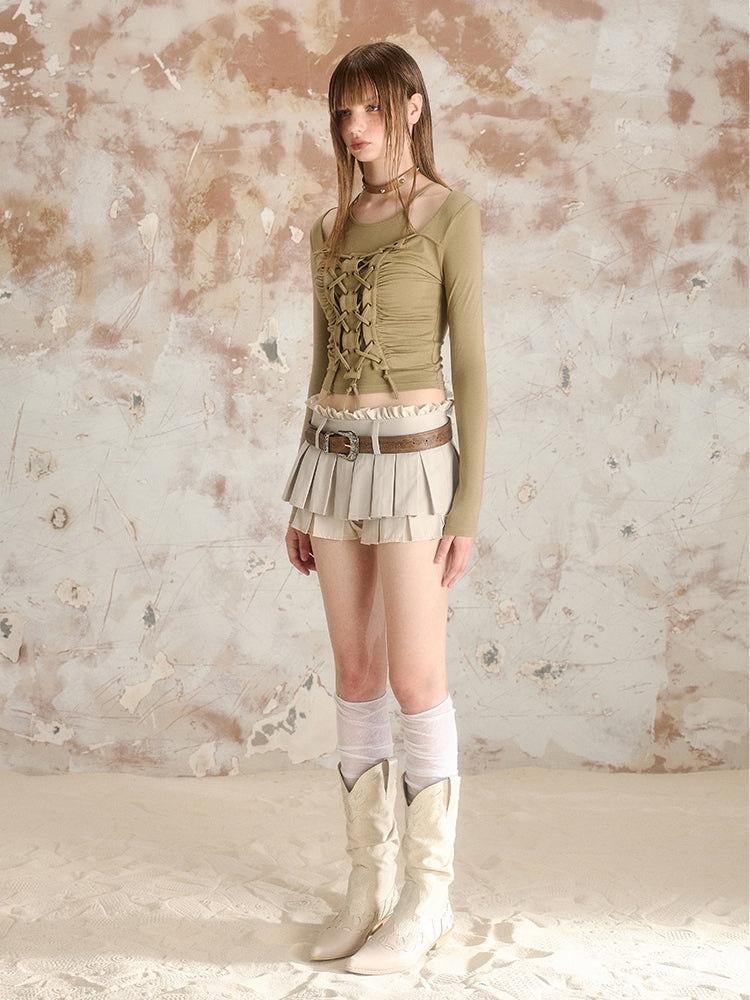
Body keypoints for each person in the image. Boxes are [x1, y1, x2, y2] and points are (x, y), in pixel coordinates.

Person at [282, 40, 487, 976]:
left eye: (369, 108)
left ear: (410, 106)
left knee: (414, 677)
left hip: (415, 466)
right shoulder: (328, 227)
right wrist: (301, 488)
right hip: (330, 465)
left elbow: (469, 364)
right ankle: (367, 885)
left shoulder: (452, 215)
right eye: (341, 112)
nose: (352, 127)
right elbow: (320, 361)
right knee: (356, 671)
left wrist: (467, 504)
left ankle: (427, 894)